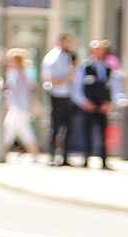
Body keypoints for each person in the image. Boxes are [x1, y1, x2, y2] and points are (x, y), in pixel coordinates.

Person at [73, 40, 116, 169]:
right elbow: (76, 87)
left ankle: (104, 159)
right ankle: (86, 157)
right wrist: (84, 102)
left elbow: (114, 87)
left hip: (102, 106)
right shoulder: (84, 68)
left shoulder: (108, 68)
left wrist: (110, 103)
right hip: (88, 105)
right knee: (87, 132)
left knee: (102, 133)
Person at [0, 48, 42, 162]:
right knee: (20, 131)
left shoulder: (18, 74)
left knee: (12, 129)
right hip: (19, 107)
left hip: (19, 107)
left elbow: (13, 90)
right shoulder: (21, 73)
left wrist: (3, 88)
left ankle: (1, 151)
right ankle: (2, 151)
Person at [41, 34, 78, 164]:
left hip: (68, 94)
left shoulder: (69, 56)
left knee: (69, 127)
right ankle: (51, 155)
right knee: (55, 127)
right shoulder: (53, 57)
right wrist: (67, 79)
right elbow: (51, 79)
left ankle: (66, 156)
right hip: (56, 95)